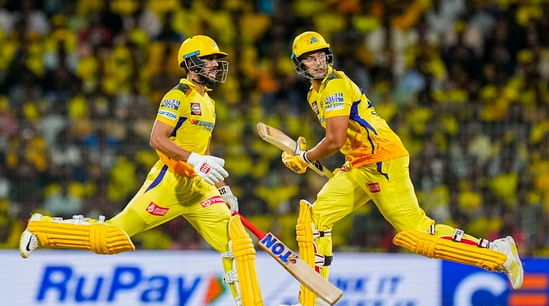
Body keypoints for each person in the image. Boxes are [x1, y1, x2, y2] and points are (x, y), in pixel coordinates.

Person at [280, 31, 523, 305]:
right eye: (310, 59)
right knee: (314, 219)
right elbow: (345, 139)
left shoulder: (335, 86)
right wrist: (308, 153)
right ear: (300, 65)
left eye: (321, 55)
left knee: (417, 234)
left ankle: (497, 253)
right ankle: (315, 295)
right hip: (359, 164)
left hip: (382, 161)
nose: (318, 62)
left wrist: (305, 158)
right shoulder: (315, 94)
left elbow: (334, 140)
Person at [19, 35, 262, 306]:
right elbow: (157, 139)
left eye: (218, 60)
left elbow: (203, 149)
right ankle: (42, 229)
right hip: (169, 182)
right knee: (110, 238)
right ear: (191, 63)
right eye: (211, 59)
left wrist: (222, 187)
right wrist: (194, 160)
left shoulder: (210, 102)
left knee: (238, 244)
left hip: (200, 186)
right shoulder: (177, 96)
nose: (216, 65)